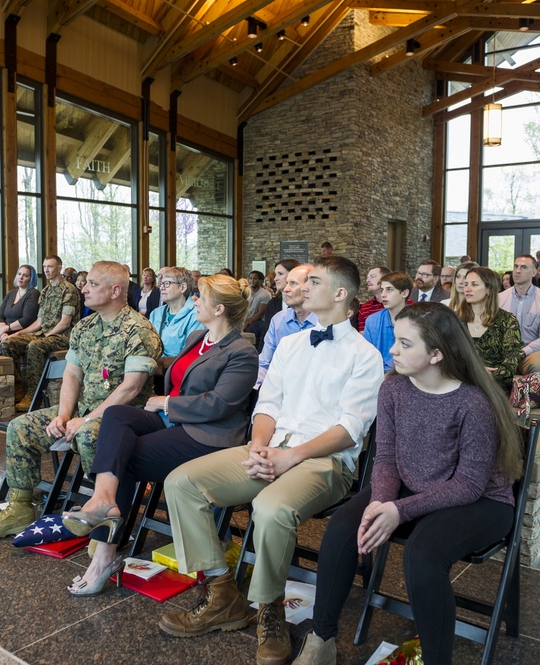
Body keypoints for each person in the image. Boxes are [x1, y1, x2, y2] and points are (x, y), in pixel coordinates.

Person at [158, 256, 383, 665]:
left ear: (340, 294)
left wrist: (288, 458)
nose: (301, 287)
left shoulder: (364, 355)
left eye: (313, 281)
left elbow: (350, 430)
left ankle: (270, 609)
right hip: (271, 447)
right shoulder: (292, 343)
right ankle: (223, 592)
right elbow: (268, 404)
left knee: (271, 507)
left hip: (325, 461)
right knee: (180, 482)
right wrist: (262, 447)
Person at [292, 303, 522, 665]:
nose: (391, 350)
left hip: (479, 502)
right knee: (341, 529)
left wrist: (397, 510)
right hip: (410, 487)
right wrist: (379, 502)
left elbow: (468, 485)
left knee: (422, 555)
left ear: (436, 354)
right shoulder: (394, 388)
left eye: (404, 343)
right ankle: (322, 638)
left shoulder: (474, 404)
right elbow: (386, 458)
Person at [60, 274, 258, 595]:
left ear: (219, 309)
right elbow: (177, 370)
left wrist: (167, 402)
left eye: (200, 298)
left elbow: (219, 405)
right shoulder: (198, 336)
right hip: (175, 423)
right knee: (116, 415)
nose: (194, 301)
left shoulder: (241, 351)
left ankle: (104, 555)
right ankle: (104, 500)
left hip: (207, 435)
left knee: (122, 456)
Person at [0, 261, 162, 539]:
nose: (83, 288)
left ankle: (105, 514)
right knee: (20, 428)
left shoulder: (138, 329)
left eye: (93, 284)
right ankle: (20, 509)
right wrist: (63, 413)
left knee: (88, 435)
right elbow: (72, 374)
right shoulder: (85, 328)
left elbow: (131, 389)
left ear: (115, 290)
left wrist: (85, 419)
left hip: (123, 417)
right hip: (83, 410)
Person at [2, 255, 81, 411]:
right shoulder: (45, 291)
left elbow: (65, 322)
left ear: (59, 268)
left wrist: (47, 335)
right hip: (44, 334)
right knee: (9, 344)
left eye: (50, 267)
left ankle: (32, 395)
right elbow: (38, 322)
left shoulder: (69, 290)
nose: (46, 270)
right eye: (44, 266)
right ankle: (18, 391)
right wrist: (18, 334)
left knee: (35, 346)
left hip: (63, 336)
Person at [458, 267, 523, 391]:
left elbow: (510, 365)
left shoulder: (508, 321)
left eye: (474, 284)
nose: (467, 289)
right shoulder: (456, 320)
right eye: (466, 284)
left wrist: (486, 377)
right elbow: (447, 358)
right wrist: (474, 374)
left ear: (488, 289)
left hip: (494, 385)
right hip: (462, 381)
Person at [498, 255, 540, 374]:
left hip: (534, 352)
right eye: (516, 266)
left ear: (533, 272)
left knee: (536, 365)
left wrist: (522, 352)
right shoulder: (499, 299)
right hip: (504, 352)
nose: (517, 270)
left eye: (523, 267)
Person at [257, 264, 317, 386]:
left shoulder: (325, 323)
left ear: (310, 288)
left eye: (293, 284)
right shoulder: (278, 320)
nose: (285, 289)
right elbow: (265, 363)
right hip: (279, 389)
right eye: (287, 283)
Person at [149, 267, 205, 357]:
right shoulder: (155, 314)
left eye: (167, 283)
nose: (161, 288)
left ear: (183, 287)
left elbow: (190, 355)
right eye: (161, 283)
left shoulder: (196, 315)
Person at [363, 272, 413, 373]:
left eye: (389, 290)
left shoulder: (417, 320)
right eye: (382, 290)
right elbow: (366, 357)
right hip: (378, 374)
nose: (383, 295)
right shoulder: (372, 320)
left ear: (404, 293)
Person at [0, 265, 40, 352]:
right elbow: (0, 317)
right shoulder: (11, 293)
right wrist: (3, 332)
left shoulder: (33, 294)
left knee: (2, 348)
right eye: (19, 274)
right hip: (4, 332)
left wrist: (6, 328)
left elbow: (27, 319)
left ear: (31, 279)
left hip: (21, 333)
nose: (21, 277)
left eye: (25, 275)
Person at [261, 259, 301, 337]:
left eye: (280, 274)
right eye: (276, 274)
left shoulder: (302, 303)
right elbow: (266, 332)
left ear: (292, 275)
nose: (275, 278)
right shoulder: (273, 303)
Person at [356, 265, 389, 333]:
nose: (367, 280)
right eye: (367, 277)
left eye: (372, 277)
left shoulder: (405, 303)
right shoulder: (364, 308)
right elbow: (363, 336)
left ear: (385, 279)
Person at [243, 270, 272, 340]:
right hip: (246, 319)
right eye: (250, 278)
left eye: (255, 278)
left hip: (259, 320)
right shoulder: (245, 292)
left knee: (251, 329)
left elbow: (260, 313)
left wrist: (247, 323)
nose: (252, 280)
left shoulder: (265, 294)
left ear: (260, 281)